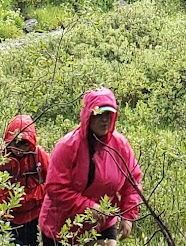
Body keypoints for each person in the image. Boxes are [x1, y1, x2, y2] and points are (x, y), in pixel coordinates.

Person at [38, 88, 142, 245]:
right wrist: (88, 207)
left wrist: (128, 216)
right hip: (62, 227)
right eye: (99, 114)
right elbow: (55, 189)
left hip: (103, 223)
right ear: (88, 115)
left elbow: (132, 183)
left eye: (108, 114)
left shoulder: (120, 145)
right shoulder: (68, 146)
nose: (104, 120)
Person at [0, 115, 49, 245]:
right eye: (16, 143)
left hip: (34, 214)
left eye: (24, 144)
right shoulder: (1, 155)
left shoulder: (39, 155)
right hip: (8, 215)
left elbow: (52, 180)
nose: (20, 149)